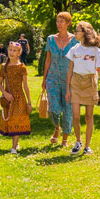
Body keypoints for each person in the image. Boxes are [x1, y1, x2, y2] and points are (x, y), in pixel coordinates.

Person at [66, 21, 100, 155]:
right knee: (75, 115)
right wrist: (67, 90)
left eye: (77, 31)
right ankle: (78, 141)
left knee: (89, 116)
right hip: (76, 82)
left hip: (90, 82)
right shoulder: (75, 49)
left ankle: (87, 146)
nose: (75, 33)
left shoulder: (96, 51)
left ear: (85, 33)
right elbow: (70, 70)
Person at [41, 12, 78, 147]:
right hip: (53, 78)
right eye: (57, 21)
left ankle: (65, 138)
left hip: (69, 79)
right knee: (53, 108)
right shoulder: (51, 39)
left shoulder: (75, 40)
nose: (59, 24)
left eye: (62, 21)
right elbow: (48, 60)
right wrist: (44, 79)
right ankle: (57, 128)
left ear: (68, 23)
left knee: (68, 108)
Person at [0, 41, 32, 154]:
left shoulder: (22, 67)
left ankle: (13, 147)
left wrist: (29, 102)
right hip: (8, 98)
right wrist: (5, 93)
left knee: (16, 120)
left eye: (14, 50)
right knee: (10, 120)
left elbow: (26, 86)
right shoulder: (4, 67)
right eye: (10, 50)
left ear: (19, 53)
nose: (11, 52)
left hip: (19, 98)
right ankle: (16, 144)